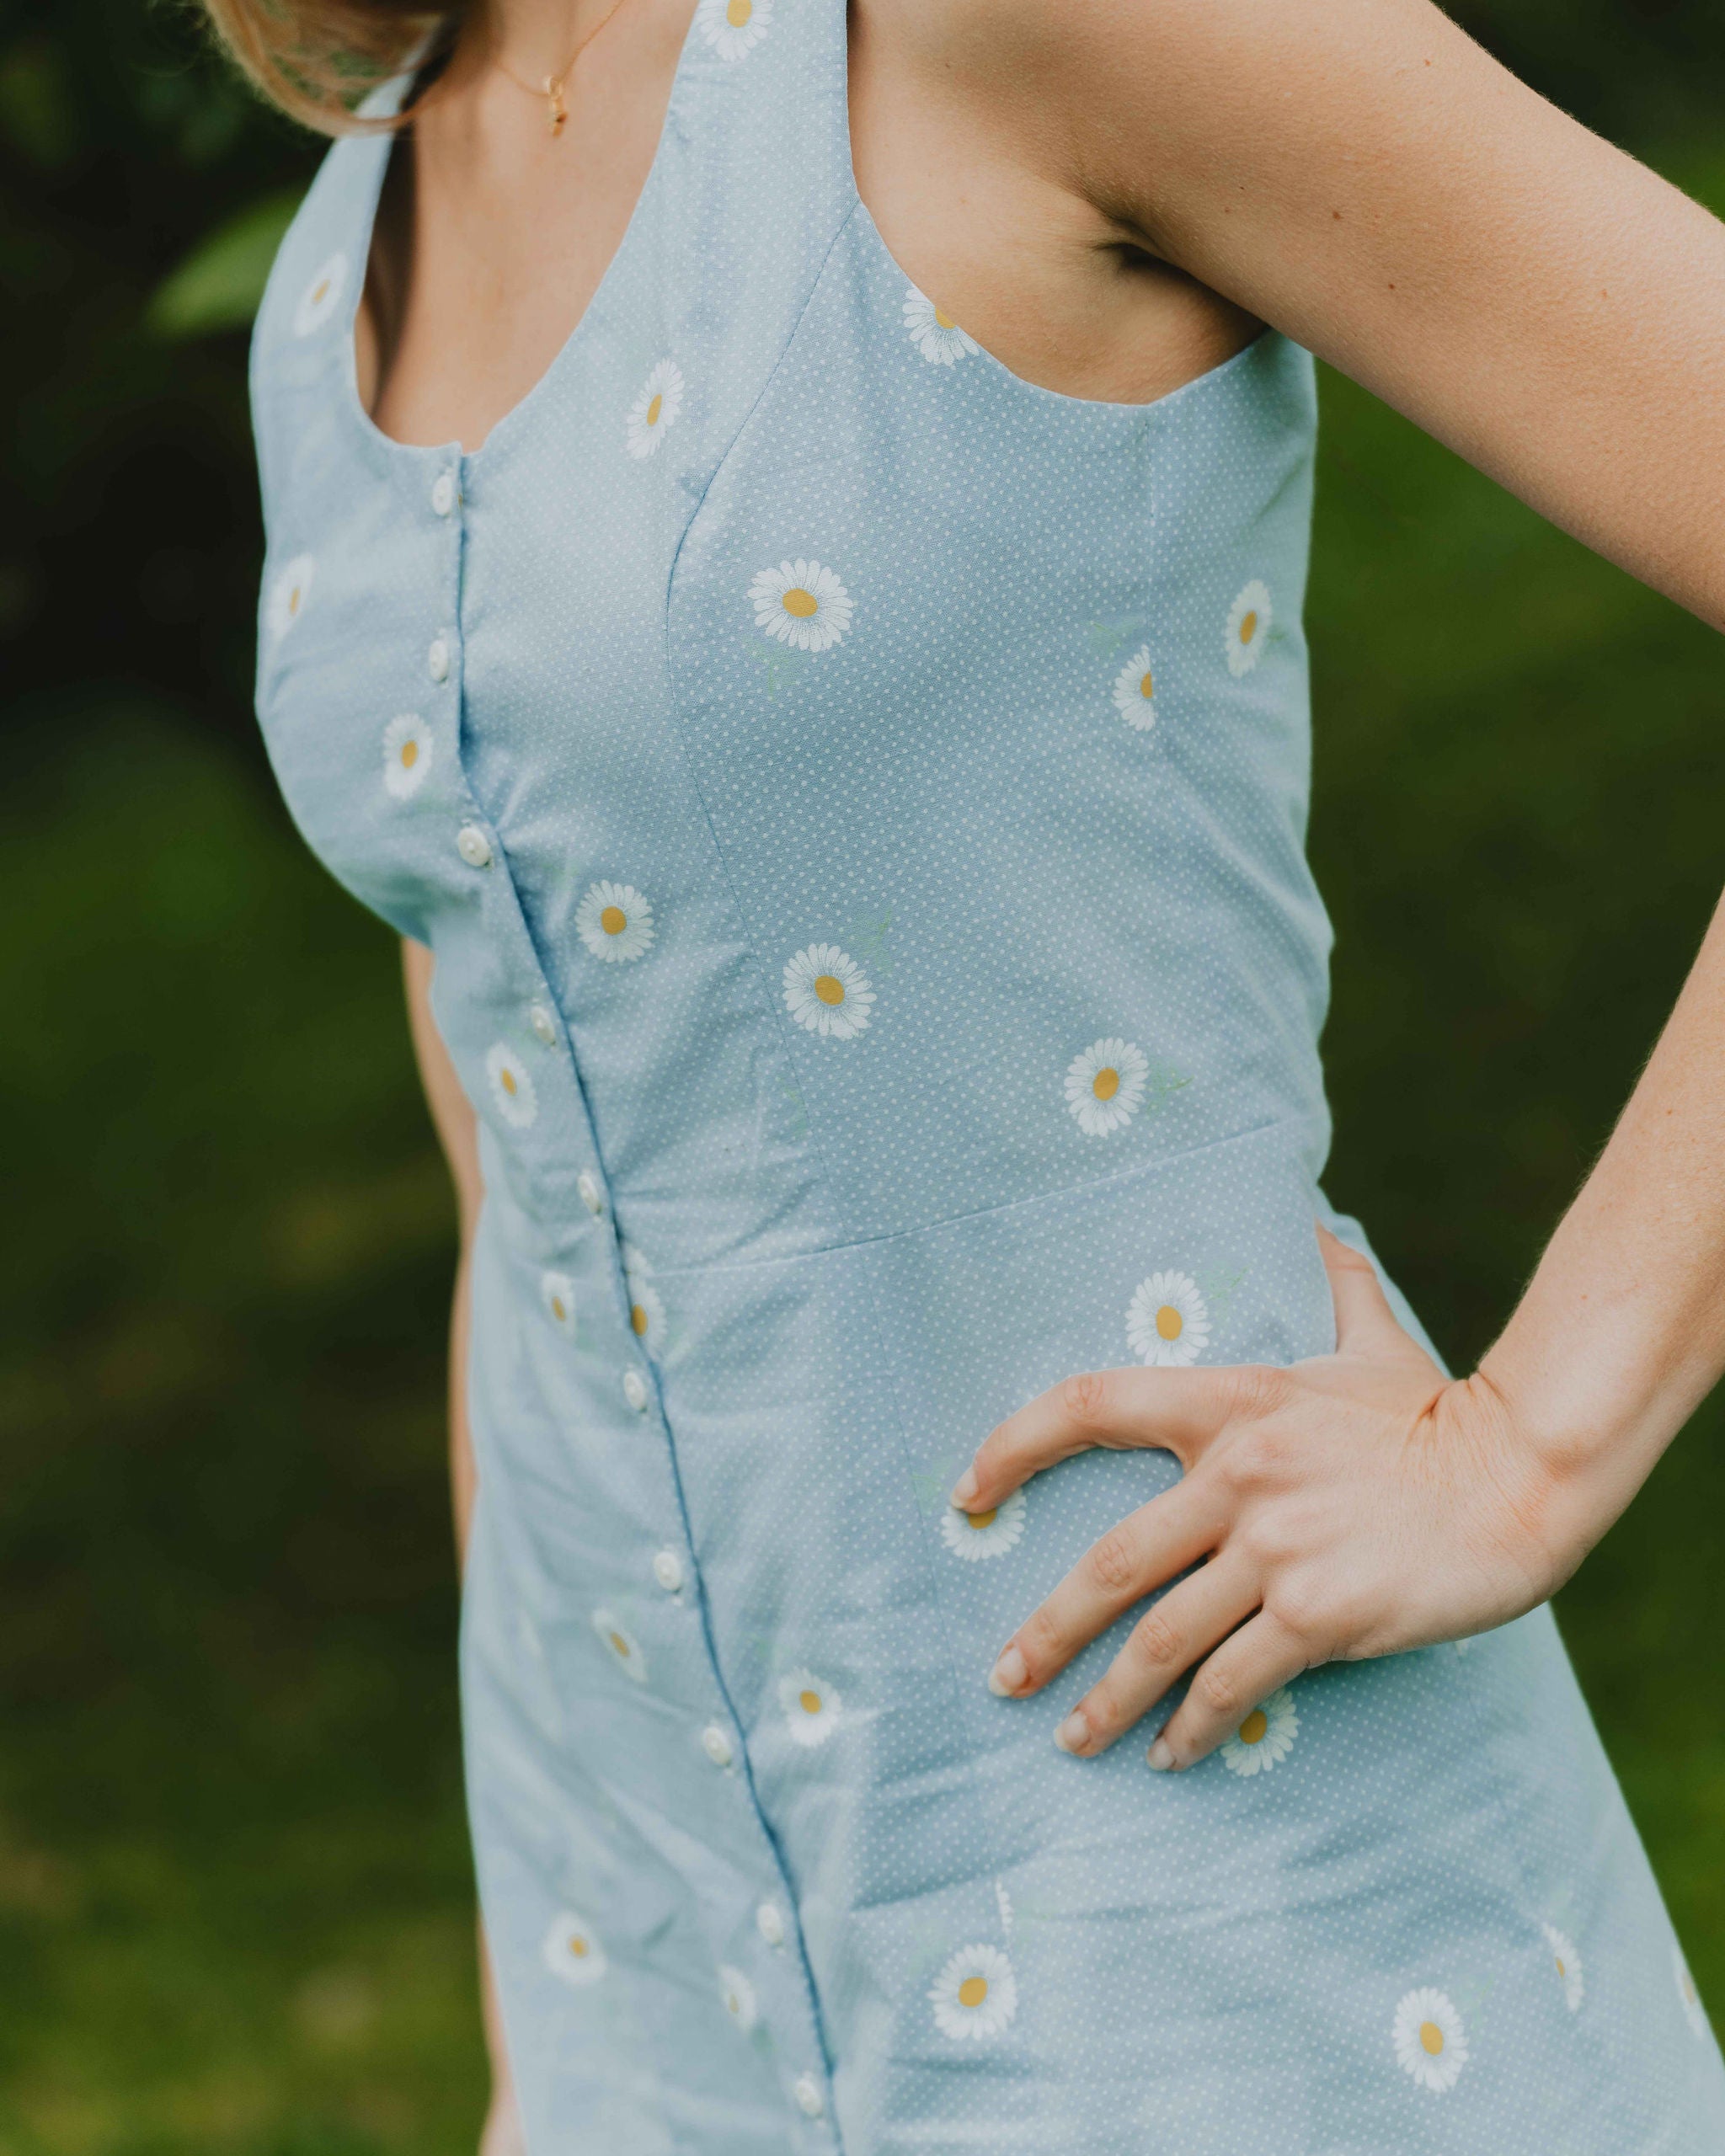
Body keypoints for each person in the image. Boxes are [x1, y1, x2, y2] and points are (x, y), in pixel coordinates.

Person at [211, 0, 1725, 2140]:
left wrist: (1533, 1446)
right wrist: (554, 2018)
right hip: (656, 1976)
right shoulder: (354, 225)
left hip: (1208, 1884)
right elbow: (524, 1191)